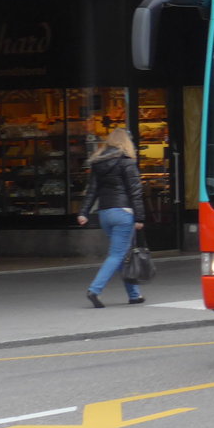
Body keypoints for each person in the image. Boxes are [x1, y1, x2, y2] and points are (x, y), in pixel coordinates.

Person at [76, 128, 146, 308]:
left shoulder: (98, 163)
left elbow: (92, 190)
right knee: (116, 255)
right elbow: (135, 191)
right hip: (123, 213)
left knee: (122, 254)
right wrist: (140, 217)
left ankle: (134, 294)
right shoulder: (127, 162)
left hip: (105, 213)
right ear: (126, 142)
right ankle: (94, 290)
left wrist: (83, 212)